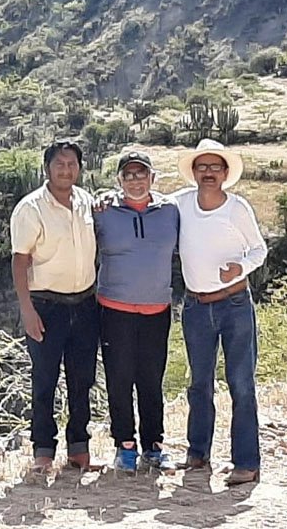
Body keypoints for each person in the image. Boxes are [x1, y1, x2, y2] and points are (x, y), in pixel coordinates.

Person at [174, 139, 267, 486]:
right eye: (203, 167)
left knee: (241, 384)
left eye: (215, 167)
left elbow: (258, 250)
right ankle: (198, 454)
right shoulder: (180, 204)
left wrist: (240, 268)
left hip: (234, 304)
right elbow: (148, 204)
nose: (209, 173)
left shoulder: (237, 208)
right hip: (196, 306)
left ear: (226, 173)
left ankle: (247, 463)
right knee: (199, 384)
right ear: (194, 172)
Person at [10, 140, 99, 472]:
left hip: (85, 304)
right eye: (59, 164)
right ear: (47, 168)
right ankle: (43, 451)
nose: (66, 170)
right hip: (46, 306)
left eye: (72, 164)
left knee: (82, 379)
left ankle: (79, 449)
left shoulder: (86, 202)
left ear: (80, 168)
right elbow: (20, 261)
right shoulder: (30, 208)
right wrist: (27, 310)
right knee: (45, 380)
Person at [93, 151, 179, 472]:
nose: (135, 180)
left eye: (141, 173)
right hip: (114, 308)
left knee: (151, 379)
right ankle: (125, 445)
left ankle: (153, 446)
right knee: (119, 378)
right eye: (127, 175)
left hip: (157, 309)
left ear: (152, 177)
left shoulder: (171, 211)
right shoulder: (103, 212)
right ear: (119, 180)